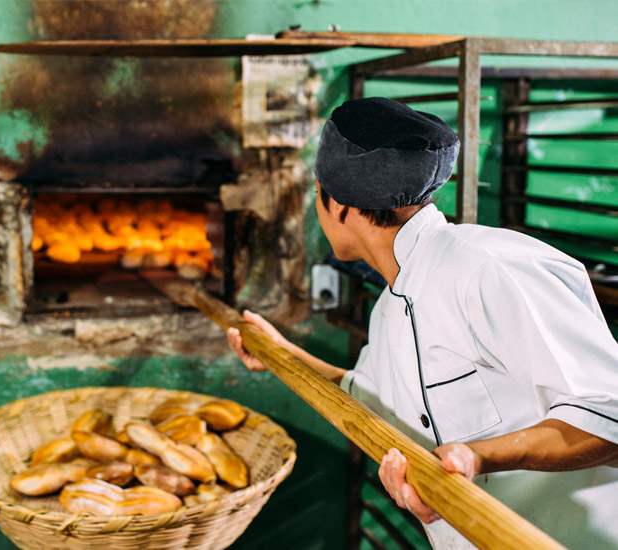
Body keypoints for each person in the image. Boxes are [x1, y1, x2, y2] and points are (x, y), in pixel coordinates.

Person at [227, 97, 618, 550]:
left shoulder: (486, 270)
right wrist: (280, 355)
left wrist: (473, 459)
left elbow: (609, 410)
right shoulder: (391, 305)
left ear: (337, 206)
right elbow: (365, 397)